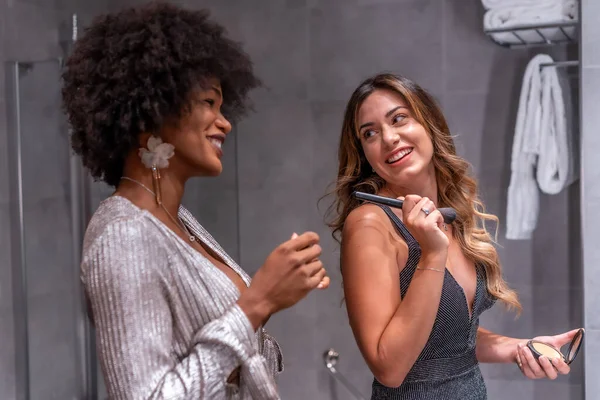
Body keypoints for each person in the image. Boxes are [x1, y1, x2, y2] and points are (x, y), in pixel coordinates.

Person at [61, 3, 329, 399]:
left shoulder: (175, 218)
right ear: (150, 111)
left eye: (222, 106)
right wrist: (257, 303)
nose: (225, 121)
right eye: (208, 102)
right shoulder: (123, 237)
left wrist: (271, 298)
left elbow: (228, 347)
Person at [326, 73, 579, 399]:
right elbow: (389, 369)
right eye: (370, 133)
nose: (388, 137)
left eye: (399, 118)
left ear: (428, 123)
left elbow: (447, 341)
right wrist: (432, 255)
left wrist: (519, 348)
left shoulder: (448, 211)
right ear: (365, 154)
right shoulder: (370, 224)